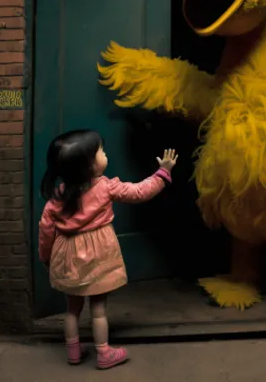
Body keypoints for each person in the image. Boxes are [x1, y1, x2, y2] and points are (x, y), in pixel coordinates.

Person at [38, 129, 178, 370]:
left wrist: (46, 257)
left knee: (71, 308)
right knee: (98, 308)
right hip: (97, 255)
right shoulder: (105, 187)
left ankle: (73, 351)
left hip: (67, 256)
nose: (105, 154)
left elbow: (46, 229)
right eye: (100, 152)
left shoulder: (58, 196)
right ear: (88, 166)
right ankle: (104, 352)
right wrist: (162, 173)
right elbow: (139, 192)